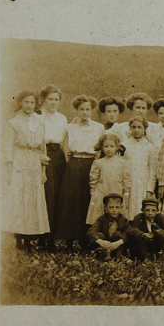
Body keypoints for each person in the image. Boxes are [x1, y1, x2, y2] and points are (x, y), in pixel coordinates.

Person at [52, 94, 102, 250]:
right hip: (74, 164)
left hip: (91, 164)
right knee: (72, 201)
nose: (85, 112)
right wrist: (73, 164)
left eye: (88, 109)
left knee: (88, 201)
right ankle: (69, 239)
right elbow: (65, 148)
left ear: (92, 111)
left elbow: (100, 149)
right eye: (82, 109)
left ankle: (85, 239)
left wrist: (94, 163)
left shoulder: (98, 127)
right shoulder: (70, 127)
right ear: (77, 110)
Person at [4, 90, 50, 250]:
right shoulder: (13, 123)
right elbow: (8, 148)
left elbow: (43, 148)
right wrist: (9, 169)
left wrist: (43, 171)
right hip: (20, 160)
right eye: (26, 102)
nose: (29, 105)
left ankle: (30, 239)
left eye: (32, 102)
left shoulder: (39, 122)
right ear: (20, 103)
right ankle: (19, 239)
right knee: (20, 199)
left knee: (33, 199)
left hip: (35, 162)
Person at [36, 85, 67, 249]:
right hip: (44, 155)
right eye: (50, 99)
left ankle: (53, 237)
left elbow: (64, 141)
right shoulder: (37, 117)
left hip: (59, 157)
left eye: (56, 99)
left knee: (58, 196)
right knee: (47, 195)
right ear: (43, 100)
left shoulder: (62, 118)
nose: (54, 102)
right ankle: (43, 237)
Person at [86, 132, 131, 225]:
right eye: (106, 146)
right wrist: (93, 194)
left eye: (111, 146)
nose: (109, 149)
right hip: (102, 192)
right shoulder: (98, 163)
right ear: (102, 148)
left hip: (117, 191)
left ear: (117, 147)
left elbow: (126, 180)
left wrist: (126, 194)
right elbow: (93, 180)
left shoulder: (122, 163)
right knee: (101, 216)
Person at [122, 116, 157, 219]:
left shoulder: (150, 147)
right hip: (128, 184)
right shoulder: (124, 145)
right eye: (134, 127)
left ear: (145, 129)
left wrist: (150, 189)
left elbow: (152, 169)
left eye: (139, 127)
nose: (136, 130)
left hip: (143, 184)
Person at [126, 192, 164, 260]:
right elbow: (131, 229)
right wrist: (143, 234)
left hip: (156, 242)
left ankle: (162, 258)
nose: (150, 213)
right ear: (142, 210)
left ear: (157, 211)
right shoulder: (139, 217)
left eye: (153, 210)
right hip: (144, 244)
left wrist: (160, 233)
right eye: (147, 210)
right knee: (139, 240)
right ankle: (145, 260)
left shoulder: (160, 218)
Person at [86, 193, 130, 258]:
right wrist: (101, 242)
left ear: (121, 207)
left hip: (117, 246)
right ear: (105, 208)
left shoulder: (124, 220)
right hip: (105, 245)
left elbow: (127, 233)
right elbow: (91, 231)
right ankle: (106, 255)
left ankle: (118, 256)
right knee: (99, 235)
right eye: (111, 207)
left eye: (117, 207)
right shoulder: (102, 219)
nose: (114, 210)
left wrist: (118, 243)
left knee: (118, 234)